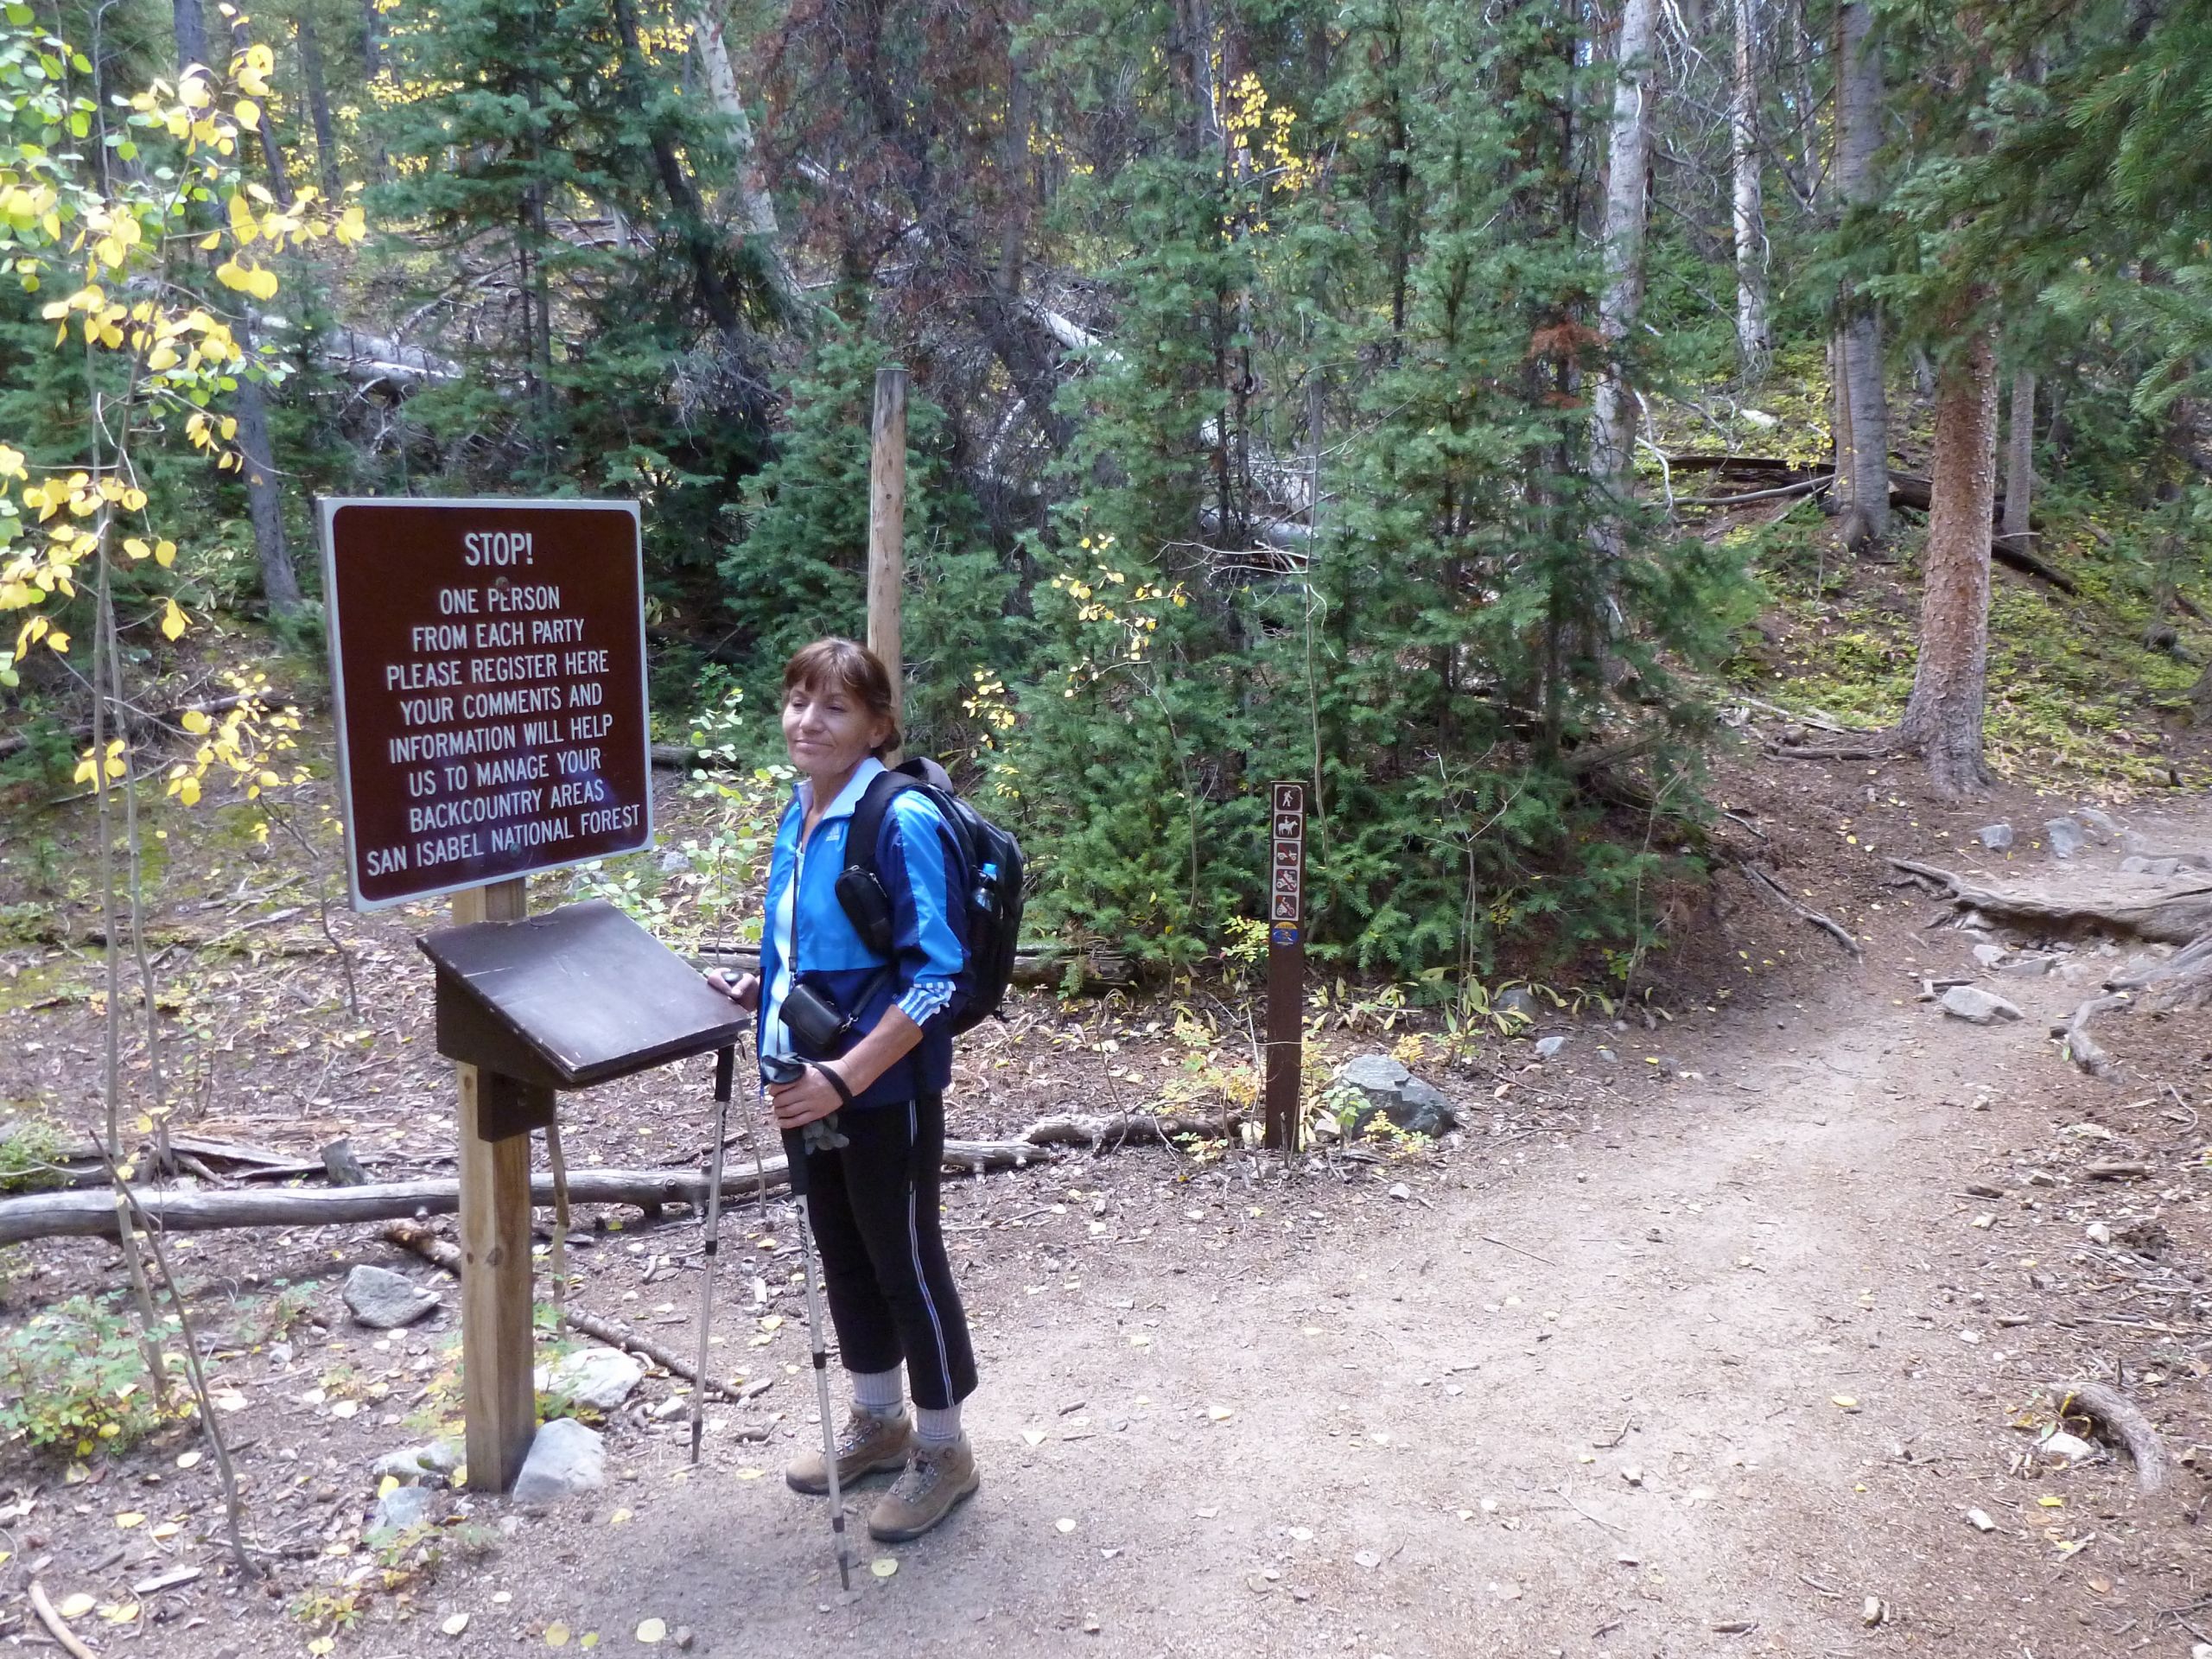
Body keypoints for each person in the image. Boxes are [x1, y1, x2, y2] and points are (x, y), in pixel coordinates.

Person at [706, 638, 981, 1542]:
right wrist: (761, 990)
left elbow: (937, 978)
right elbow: (813, 947)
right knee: (843, 1253)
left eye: (833, 707)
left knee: (905, 1260)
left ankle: (943, 1448)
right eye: (797, 700)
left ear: (876, 725)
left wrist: (844, 1076)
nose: (808, 721)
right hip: (803, 1079)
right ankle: (879, 1419)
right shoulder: (802, 810)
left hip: (881, 1090)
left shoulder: (899, 819)